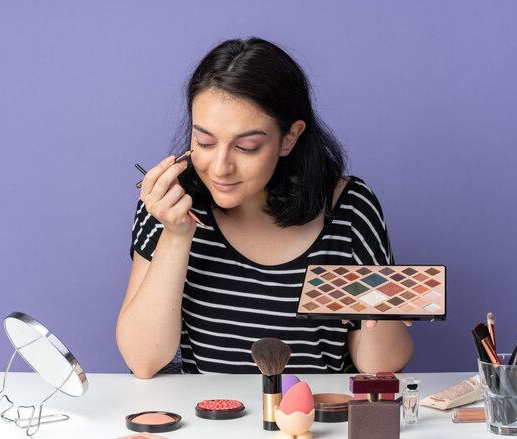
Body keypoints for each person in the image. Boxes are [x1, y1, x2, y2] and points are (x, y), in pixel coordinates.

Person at [116, 37, 413, 378]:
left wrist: (375, 304)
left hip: (316, 424)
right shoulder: (170, 203)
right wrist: (177, 234)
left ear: (289, 137)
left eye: (247, 146)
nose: (220, 167)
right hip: (210, 422)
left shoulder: (348, 207)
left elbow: (382, 365)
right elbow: (143, 360)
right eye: (205, 142)